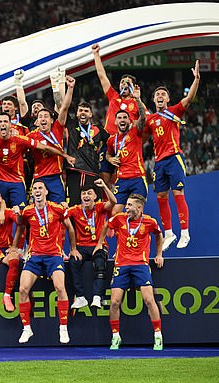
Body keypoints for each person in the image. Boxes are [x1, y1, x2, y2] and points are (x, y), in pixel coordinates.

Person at [11, 180, 79, 344]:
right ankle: (27, 328)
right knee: (22, 289)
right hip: (34, 256)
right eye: (34, 188)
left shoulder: (57, 209)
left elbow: (69, 227)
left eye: (40, 188)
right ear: (32, 193)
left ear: (46, 192)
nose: (37, 190)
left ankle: (63, 328)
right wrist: (15, 246)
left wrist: (73, 249)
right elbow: (20, 226)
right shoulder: (27, 211)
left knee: (60, 287)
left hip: (54, 255)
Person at [145, 60, 200, 250]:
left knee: (178, 193)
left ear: (168, 99)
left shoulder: (174, 111)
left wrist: (196, 80)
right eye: (157, 94)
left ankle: (185, 232)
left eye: (163, 94)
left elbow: (189, 99)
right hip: (158, 162)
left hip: (174, 157)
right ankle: (169, 232)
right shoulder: (150, 120)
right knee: (161, 196)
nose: (160, 96)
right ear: (153, 100)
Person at [98, 194, 164, 350]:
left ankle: (158, 335)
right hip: (121, 264)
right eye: (126, 205)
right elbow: (107, 225)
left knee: (149, 300)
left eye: (129, 205)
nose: (126, 208)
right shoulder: (119, 218)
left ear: (139, 208)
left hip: (141, 264)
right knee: (114, 302)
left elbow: (158, 235)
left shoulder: (149, 221)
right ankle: (115, 336)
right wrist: (100, 243)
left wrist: (159, 254)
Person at [0, 112, 74, 208]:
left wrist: (65, 155)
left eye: (5, 121)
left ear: (10, 124)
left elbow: (45, 148)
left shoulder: (20, 140)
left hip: (17, 181)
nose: (3, 124)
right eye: (0, 122)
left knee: (21, 212)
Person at [92, 43, 141, 186]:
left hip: (127, 143)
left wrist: (138, 99)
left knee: (125, 180)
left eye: (128, 83)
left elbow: (144, 121)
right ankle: (107, 206)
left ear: (133, 87)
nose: (124, 85)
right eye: (122, 82)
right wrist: (96, 54)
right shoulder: (113, 97)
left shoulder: (137, 103)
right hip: (108, 141)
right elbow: (102, 75)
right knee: (104, 179)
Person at [66, 179, 116, 309]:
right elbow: (60, 216)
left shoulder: (99, 207)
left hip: (98, 245)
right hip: (81, 247)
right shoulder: (75, 210)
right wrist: (73, 249)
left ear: (95, 196)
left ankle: (97, 297)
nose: (86, 196)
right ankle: (80, 297)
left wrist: (104, 186)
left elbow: (113, 202)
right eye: (83, 194)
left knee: (100, 263)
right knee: (73, 262)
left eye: (89, 193)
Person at [27, 75, 77, 203]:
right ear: (37, 121)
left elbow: (64, 108)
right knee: (36, 207)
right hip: (39, 177)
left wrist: (70, 88)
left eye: (46, 116)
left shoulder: (57, 129)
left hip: (56, 177)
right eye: (40, 116)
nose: (43, 118)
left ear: (51, 120)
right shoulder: (31, 136)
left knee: (59, 208)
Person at [64, 101, 110, 206]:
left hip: (93, 173)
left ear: (90, 114)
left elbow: (113, 143)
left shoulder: (98, 129)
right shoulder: (71, 125)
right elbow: (62, 105)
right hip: (75, 172)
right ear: (76, 113)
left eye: (86, 111)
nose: (83, 113)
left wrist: (108, 157)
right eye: (80, 110)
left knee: (96, 207)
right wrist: (61, 85)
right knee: (73, 206)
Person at [106, 104, 147, 215]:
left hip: (137, 177)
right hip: (121, 180)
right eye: (119, 118)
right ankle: (124, 232)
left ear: (129, 121)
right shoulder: (111, 140)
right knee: (114, 213)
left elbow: (143, 118)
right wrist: (110, 159)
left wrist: (138, 99)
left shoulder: (135, 131)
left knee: (136, 212)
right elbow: (107, 154)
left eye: (125, 117)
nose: (122, 120)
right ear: (115, 122)